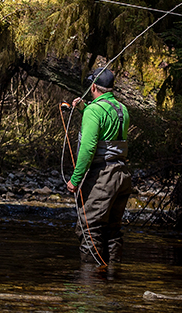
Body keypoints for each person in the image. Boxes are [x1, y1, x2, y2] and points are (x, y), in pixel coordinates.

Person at [65, 66, 132, 267]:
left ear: (93, 86)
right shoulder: (122, 108)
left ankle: (89, 287)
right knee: (112, 229)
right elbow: (108, 132)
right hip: (123, 175)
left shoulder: (95, 110)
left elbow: (88, 149)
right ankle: (111, 280)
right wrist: (85, 109)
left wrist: (75, 180)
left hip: (103, 175)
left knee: (89, 228)